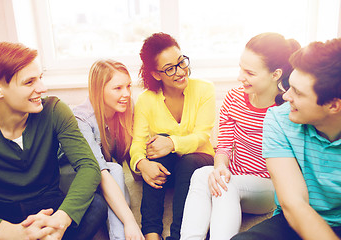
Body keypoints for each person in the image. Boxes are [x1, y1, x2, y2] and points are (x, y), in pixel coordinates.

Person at [0, 42, 107, 240]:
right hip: (0, 211)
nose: (42, 88)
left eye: (40, 78)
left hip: (48, 206)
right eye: (29, 82)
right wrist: (10, 232)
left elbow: (89, 167)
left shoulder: (55, 110)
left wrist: (61, 219)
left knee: (96, 205)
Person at [180, 33, 301, 240]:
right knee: (202, 174)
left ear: (275, 74)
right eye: (240, 68)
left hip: (267, 187)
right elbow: (224, 146)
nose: (239, 76)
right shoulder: (234, 98)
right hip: (233, 175)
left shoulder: (288, 109)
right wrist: (220, 167)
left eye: (249, 72)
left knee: (227, 185)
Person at [231, 38, 341, 240]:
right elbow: (294, 204)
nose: (286, 96)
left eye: (298, 93)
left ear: (334, 105)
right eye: (290, 87)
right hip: (295, 219)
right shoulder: (279, 119)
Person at [129, 32, 216, 240]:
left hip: (199, 162)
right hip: (168, 170)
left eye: (181, 62)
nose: (180, 72)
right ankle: (151, 233)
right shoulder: (146, 100)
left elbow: (202, 136)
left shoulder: (205, 89)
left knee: (184, 156)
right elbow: (138, 143)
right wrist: (142, 164)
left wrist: (172, 143)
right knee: (155, 147)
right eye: (169, 69)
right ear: (156, 74)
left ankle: (178, 236)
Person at [72, 59, 144, 240]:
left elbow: (132, 154)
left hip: (105, 173)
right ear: (99, 89)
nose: (126, 93)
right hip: (72, 176)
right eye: (118, 88)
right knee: (114, 170)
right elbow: (100, 171)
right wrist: (130, 222)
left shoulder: (126, 109)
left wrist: (144, 166)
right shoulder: (82, 119)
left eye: (128, 86)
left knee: (117, 176)